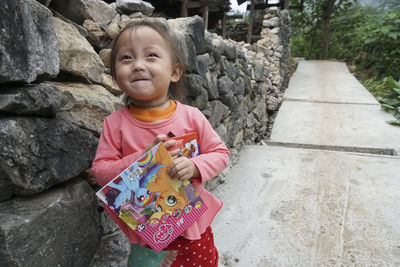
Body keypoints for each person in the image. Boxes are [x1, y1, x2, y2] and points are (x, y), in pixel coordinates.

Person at [92, 20, 230, 267]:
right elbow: (101, 171)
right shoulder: (115, 125)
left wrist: (195, 166)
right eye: (126, 58)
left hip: (192, 230)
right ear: (114, 76)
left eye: (151, 55)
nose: (138, 65)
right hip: (145, 236)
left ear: (175, 72)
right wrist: (142, 159)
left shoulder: (191, 117)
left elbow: (220, 153)